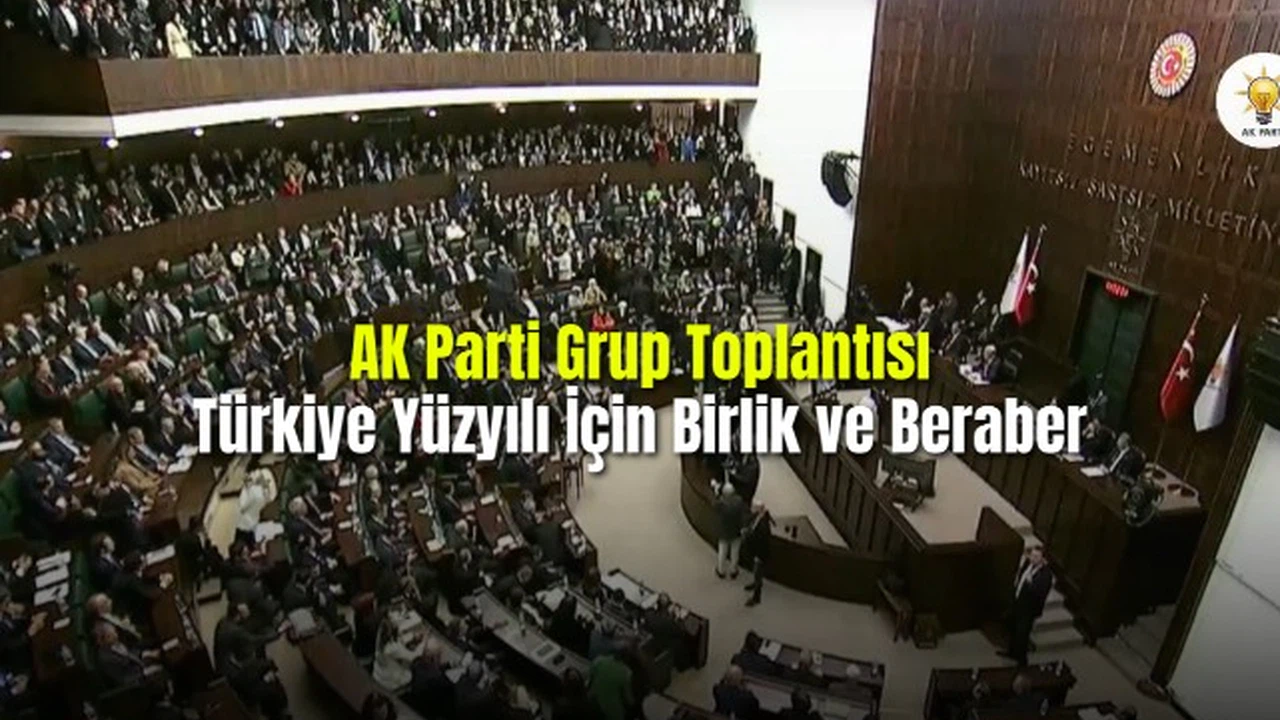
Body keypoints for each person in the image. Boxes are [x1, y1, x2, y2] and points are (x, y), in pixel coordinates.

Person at [1000, 547, 1053, 667]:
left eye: (1036, 557)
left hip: (1029, 609)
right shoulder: (1027, 564)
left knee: (1022, 634)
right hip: (1018, 603)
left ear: (1043, 559)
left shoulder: (1046, 574)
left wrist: (1030, 584)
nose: (1032, 558)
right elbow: (1020, 577)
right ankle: (1011, 652)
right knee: (1013, 629)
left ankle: (1022, 660)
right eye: (1032, 555)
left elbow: (1041, 593)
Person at [741, 501, 774, 607]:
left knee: (758, 574)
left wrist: (758, 557)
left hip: (760, 554)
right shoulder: (759, 517)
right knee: (756, 572)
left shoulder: (763, 525)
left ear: (759, 509)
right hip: (756, 552)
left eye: (754, 507)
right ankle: (755, 584)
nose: (751, 508)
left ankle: (756, 598)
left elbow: (762, 542)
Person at [235, 468, 278, 547]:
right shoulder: (264, 495)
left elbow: (242, 506)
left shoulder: (255, 492)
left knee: (241, 542)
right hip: (252, 522)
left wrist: (245, 487)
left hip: (244, 522)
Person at [713, 482, 747, 579]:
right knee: (735, 553)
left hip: (724, 532)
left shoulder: (721, 503)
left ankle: (721, 571)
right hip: (736, 531)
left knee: (722, 552)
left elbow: (714, 505)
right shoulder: (739, 501)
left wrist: (716, 493)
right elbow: (743, 515)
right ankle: (733, 571)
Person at [586, 650, 632, 720]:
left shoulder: (599, 660)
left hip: (592, 701)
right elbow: (629, 699)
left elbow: (588, 679)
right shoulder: (627, 673)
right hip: (611, 711)